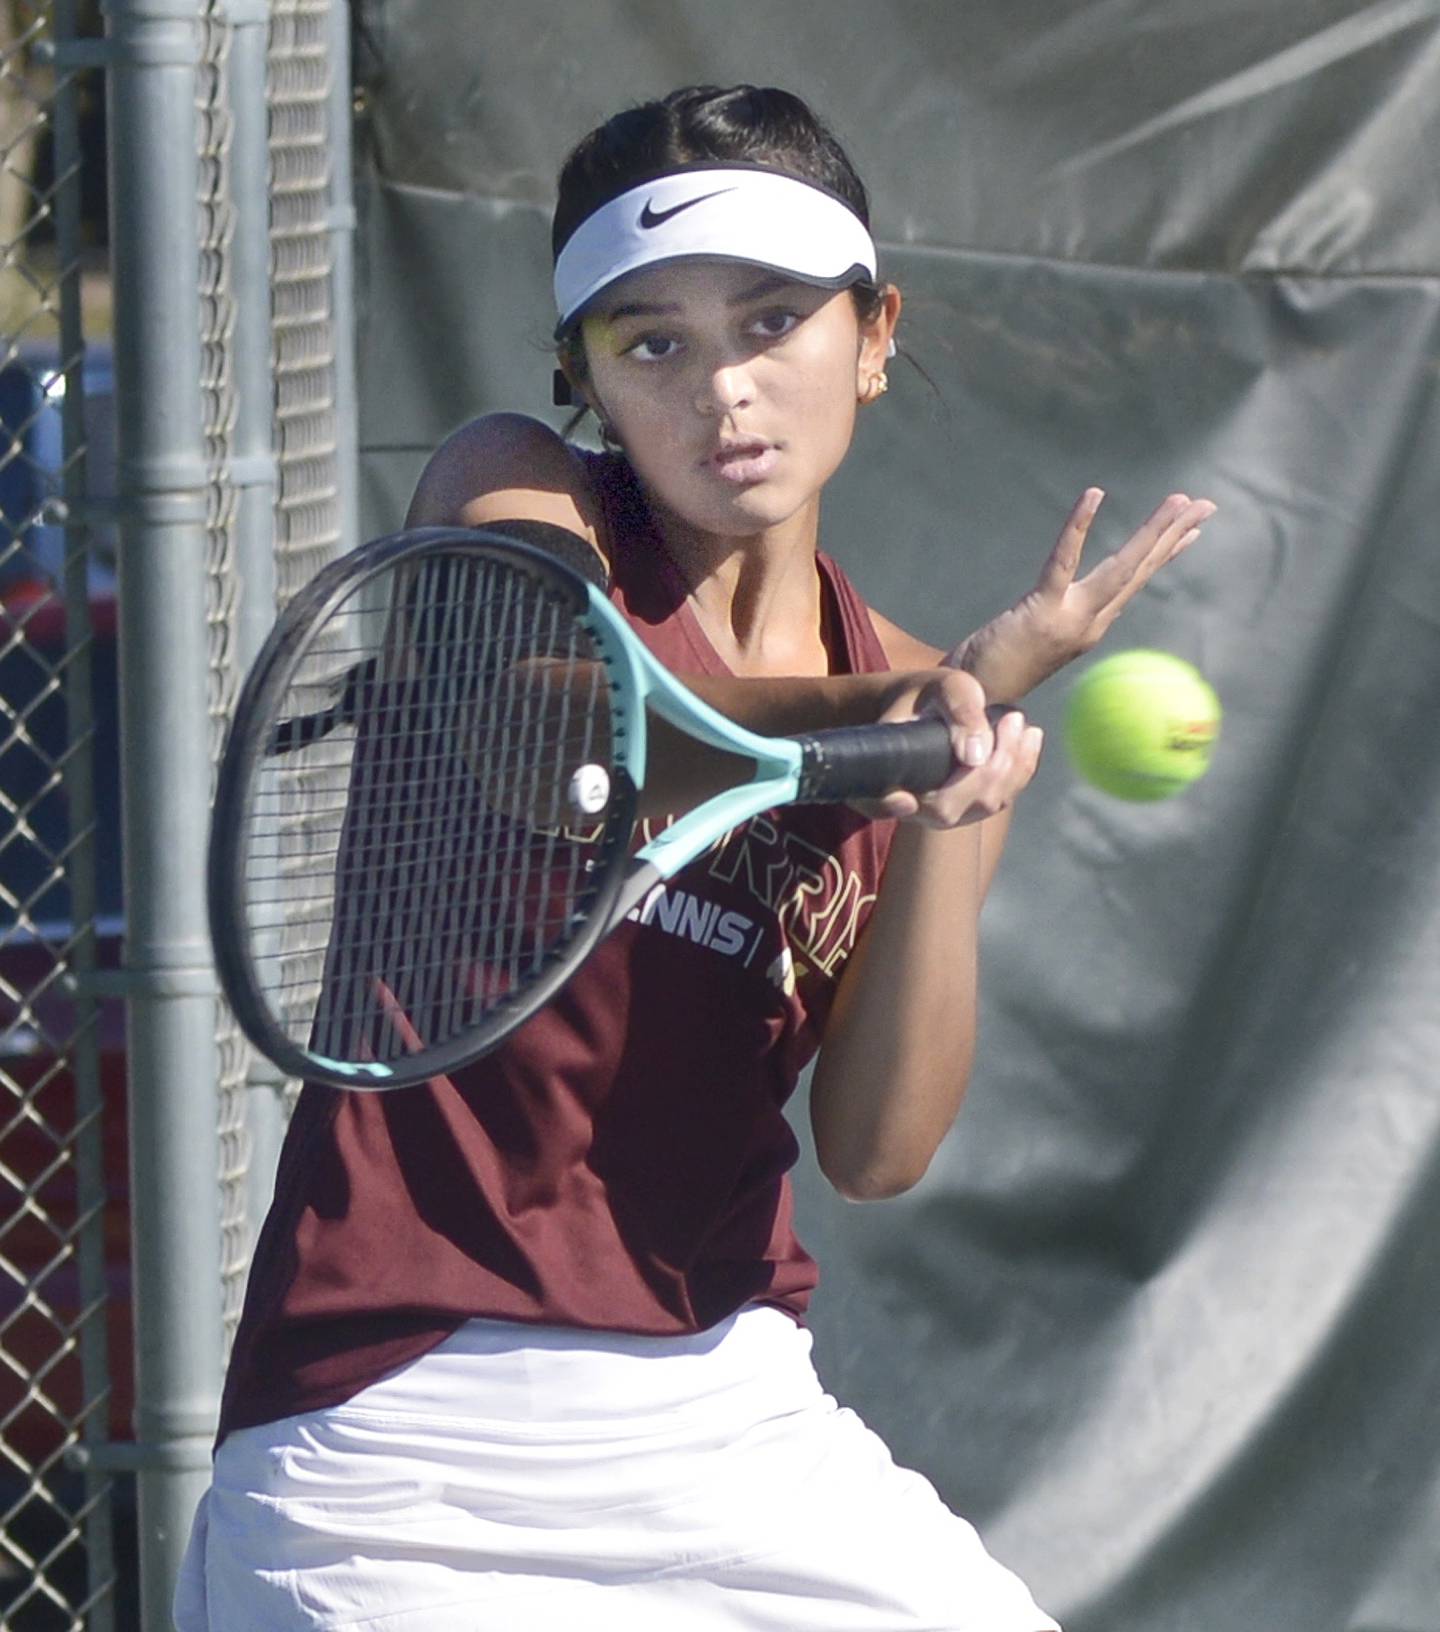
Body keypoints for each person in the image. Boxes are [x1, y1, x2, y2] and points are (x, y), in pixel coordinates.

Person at [176, 83, 1215, 1631]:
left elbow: (875, 1150)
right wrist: (927, 709)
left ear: (873, 337)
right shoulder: (514, 492)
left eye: (774, 321)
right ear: (582, 379)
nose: (724, 388)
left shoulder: (928, 693)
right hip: (394, 1431)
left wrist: (948, 803)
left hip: (726, 1416)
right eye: (651, 343)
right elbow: (562, 748)